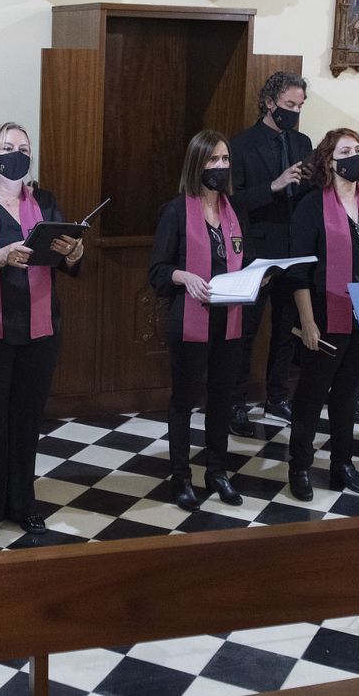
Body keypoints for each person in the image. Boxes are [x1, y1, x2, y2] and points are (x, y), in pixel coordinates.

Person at [0, 122, 84, 544]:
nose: (16, 154)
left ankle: (22, 503)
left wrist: (75, 252)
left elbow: (66, 257)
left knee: (26, 421)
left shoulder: (45, 201)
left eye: (23, 148)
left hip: (39, 328)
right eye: (7, 147)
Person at [147, 131, 250, 511]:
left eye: (225, 159)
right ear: (197, 164)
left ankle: (217, 472)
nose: (220, 167)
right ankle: (182, 477)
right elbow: (157, 270)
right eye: (213, 160)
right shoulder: (175, 210)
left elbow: (243, 260)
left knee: (222, 400)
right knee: (184, 400)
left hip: (230, 320)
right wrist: (184, 276)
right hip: (189, 319)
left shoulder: (234, 210)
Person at [285, 129, 359, 501]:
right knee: (312, 394)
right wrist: (307, 321)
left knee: (348, 394)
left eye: (358, 150)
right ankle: (300, 465)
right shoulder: (312, 206)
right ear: (328, 160)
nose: (354, 156)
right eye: (345, 151)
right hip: (326, 310)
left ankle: (342, 463)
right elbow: (298, 270)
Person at [228, 70, 312, 435]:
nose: (293, 111)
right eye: (288, 105)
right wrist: (274, 186)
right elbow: (234, 199)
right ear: (269, 102)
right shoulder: (241, 144)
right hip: (258, 249)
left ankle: (278, 396)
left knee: (285, 327)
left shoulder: (302, 141)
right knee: (247, 329)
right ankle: (235, 401)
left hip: (294, 249)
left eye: (299, 105)